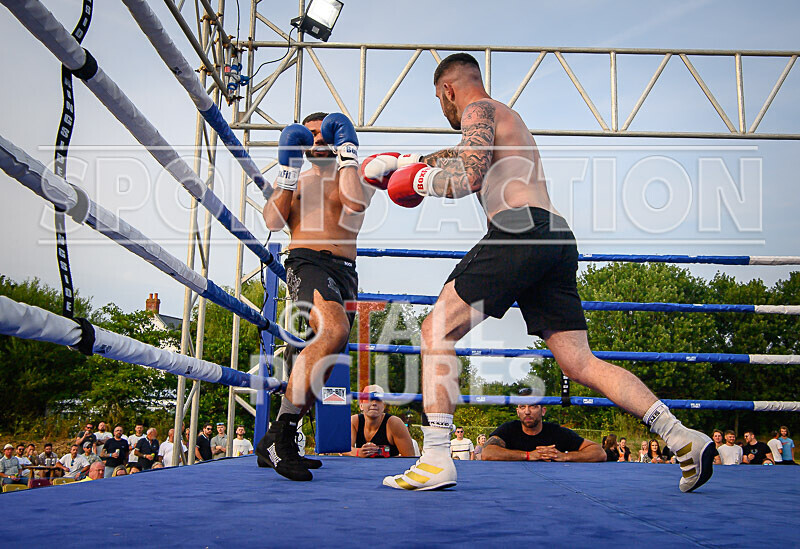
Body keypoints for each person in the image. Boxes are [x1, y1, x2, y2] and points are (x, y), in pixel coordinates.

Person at [377, 53, 714, 492]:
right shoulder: (502, 117)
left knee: (436, 328)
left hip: (520, 227)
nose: (443, 109)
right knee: (578, 362)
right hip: (554, 235)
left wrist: (417, 181)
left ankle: (437, 456)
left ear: (448, 91)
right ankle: (680, 436)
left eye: (440, 101)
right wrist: (406, 160)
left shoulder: (478, 110)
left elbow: (469, 174)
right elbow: (461, 154)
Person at [256, 112, 373, 482]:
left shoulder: (352, 175)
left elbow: (356, 203)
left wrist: (348, 152)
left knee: (321, 362)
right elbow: (273, 222)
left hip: (346, 273)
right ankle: (280, 437)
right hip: (307, 261)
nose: (317, 142)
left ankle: (278, 443)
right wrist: (287, 170)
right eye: (309, 137)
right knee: (332, 332)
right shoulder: (298, 179)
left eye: (324, 135)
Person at [481, 403, 606, 462]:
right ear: (517, 411)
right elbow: (487, 453)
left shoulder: (557, 432)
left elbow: (599, 453)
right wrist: (529, 455)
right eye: (522, 407)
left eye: (533, 406)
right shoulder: (509, 429)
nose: (527, 411)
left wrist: (565, 456)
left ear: (543, 411)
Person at [346, 385, 416, 458]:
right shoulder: (354, 421)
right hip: (363, 467)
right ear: (361, 405)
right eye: (369, 399)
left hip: (390, 468)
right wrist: (358, 452)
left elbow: (409, 457)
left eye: (379, 399)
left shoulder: (394, 423)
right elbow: (343, 450)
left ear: (384, 406)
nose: (374, 403)